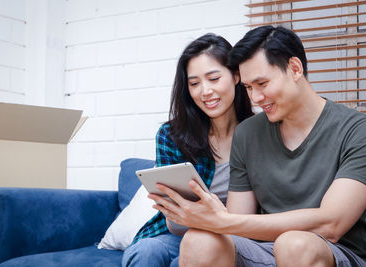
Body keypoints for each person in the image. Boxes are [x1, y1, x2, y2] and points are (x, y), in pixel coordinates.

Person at [149, 25, 366, 267]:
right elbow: (239, 224)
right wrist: (213, 219)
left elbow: (331, 224)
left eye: (262, 84)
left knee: (294, 244)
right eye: (249, 88)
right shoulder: (248, 133)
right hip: (266, 249)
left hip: (334, 251)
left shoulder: (357, 130)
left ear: (295, 69)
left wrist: (222, 220)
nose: (255, 98)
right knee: (198, 240)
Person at [121, 33, 253, 267]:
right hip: (176, 232)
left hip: (234, 236)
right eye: (194, 83)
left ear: (235, 75)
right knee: (145, 252)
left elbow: (248, 219)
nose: (205, 91)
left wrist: (210, 216)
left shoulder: (258, 133)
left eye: (213, 78)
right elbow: (174, 217)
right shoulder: (172, 135)